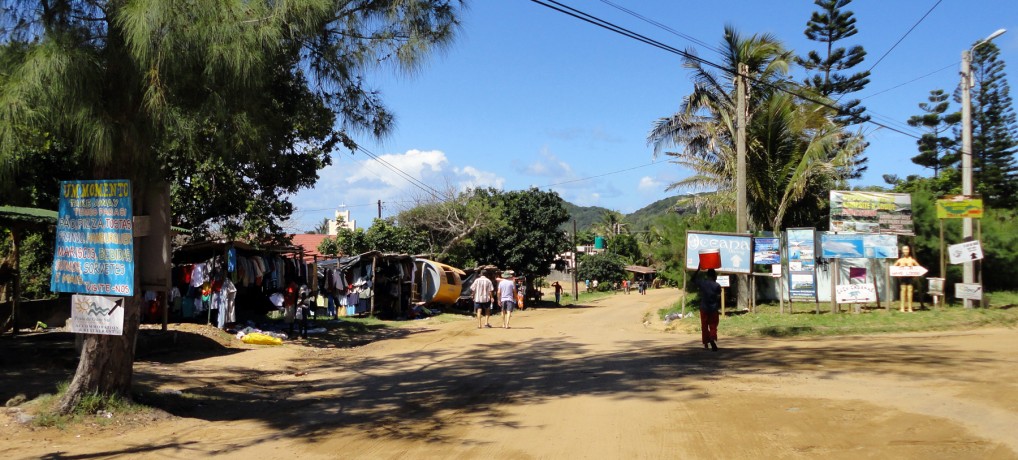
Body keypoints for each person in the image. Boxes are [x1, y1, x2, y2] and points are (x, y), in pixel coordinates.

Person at [692, 267, 722, 351]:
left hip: (704, 308)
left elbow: (693, 279)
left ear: (707, 275)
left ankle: (706, 343)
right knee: (713, 326)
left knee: (704, 326)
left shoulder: (703, 283)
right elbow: (718, 296)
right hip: (713, 308)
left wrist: (698, 269)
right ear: (714, 276)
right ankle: (712, 338)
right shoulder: (717, 286)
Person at [894, 244, 920, 313]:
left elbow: (919, 268)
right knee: (903, 291)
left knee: (910, 291)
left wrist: (915, 273)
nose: (906, 251)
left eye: (907, 249)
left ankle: (910, 308)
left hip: (910, 277)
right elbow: (893, 268)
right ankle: (902, 307)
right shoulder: (900, 260)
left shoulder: (912, 260)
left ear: (909, 251)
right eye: (904, 249)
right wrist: (898, 272)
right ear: (902, 251)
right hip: (903, 277)